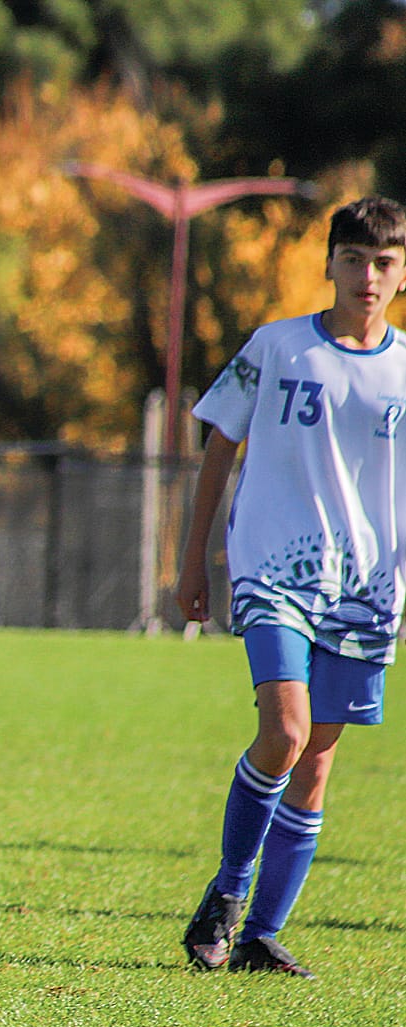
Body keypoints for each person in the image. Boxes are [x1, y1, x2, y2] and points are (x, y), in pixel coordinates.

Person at [177, 195, 406, 979]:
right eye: (352, 260)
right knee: (284, 731)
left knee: (313, 763)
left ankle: (259, 936)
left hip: (367, 587)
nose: (366, 277)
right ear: (328, 264)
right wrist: (190, 557)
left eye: (382, 263)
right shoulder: (275, 348)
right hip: (274, 569)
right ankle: (227, 895)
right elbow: (216, 447)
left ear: (401, 272)